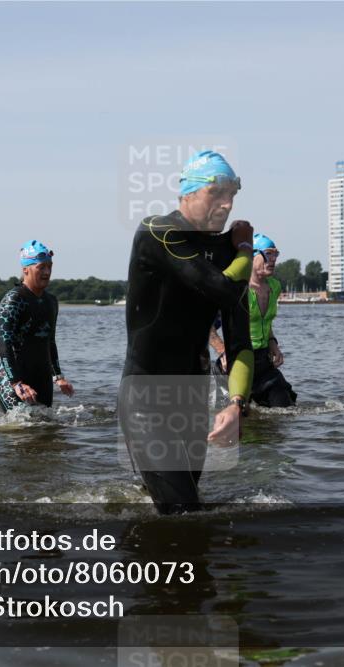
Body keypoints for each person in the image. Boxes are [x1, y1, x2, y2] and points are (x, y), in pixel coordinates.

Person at [119, 150, 254, 514]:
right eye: (216, 193)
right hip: (145, 398)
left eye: (232, 195)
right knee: (182, 511)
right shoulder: (157, 232)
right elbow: (220, 288)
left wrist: (236, 404)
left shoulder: (227, 254)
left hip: (193, 399)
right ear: (187, 193)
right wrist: (246, 249)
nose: (227, 204)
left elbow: (240, 345)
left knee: (188, 511)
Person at [209, 233, 296, 408]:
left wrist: (273, 343)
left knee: (285, 409)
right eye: (268, 254)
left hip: (263, 362)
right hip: (236, 362)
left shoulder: (274, 286)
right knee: (238, 415)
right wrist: (222, 350)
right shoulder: (234, 288)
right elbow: (206, 325)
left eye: (275, 254)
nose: (273, 259)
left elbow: (265, 321)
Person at [0, 240, 73, 411]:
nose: (47, 272)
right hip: (13, 379)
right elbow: (4, 343)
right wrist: (16, 382)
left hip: (42, 377)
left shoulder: (51, 301)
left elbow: (50, 341)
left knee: (46, 426)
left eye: (49, 266)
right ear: (26, 269)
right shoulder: (14, 299)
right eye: (41, 267)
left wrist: (58, 376)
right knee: (21, 425)